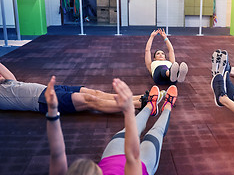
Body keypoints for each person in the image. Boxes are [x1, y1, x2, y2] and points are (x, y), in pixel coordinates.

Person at [46, 75, 178, 175]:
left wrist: (53, 111)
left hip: (112, 157)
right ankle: (168, 106)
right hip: (142, 168)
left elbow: (57, 154)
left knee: (130, 129)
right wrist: (128, 111)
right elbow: (133, 158)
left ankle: (150, 106)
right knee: (156, 132)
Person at [0, 62, 153, 114]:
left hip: (51, 89)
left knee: (95, 92)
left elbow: (8, 75)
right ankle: (141, 104)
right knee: (90, 100)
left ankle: (139, 98)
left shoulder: (8, 83)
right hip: (44, 101)